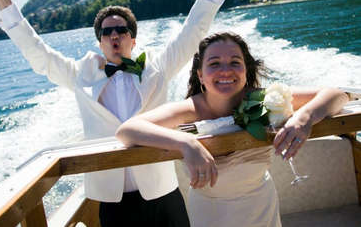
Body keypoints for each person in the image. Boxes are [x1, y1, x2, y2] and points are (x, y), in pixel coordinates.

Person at [0, 0, 238, 226]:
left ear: (133, 39)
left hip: (162, 192)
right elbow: (38, 53)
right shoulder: (81, 76)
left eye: (121, 30)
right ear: (100, 42)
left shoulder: (157, 68)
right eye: (107, 31)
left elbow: (192, 30)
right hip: (113, 201)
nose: (114, 35)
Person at [116, 32, 349, 227]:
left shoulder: (263, 99)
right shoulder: (190, 108)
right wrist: (186, 143)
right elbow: (127, 130)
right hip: (210, 214)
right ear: (200, 75)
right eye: (214, 63)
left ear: (246, 70)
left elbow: (336, 94)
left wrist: (304, 118)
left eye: (235, 62)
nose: (225, 70)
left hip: (261, 208)